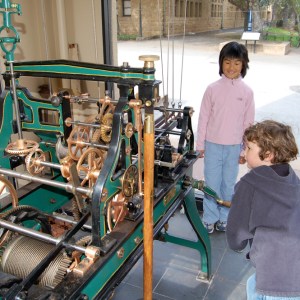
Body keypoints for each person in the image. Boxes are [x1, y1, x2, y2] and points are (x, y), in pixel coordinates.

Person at [226, 120, 300, 300]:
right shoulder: (291, 177)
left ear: (268, 154)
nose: (244, 152)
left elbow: (237, 232)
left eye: (249, 148)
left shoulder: (250, 183)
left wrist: (237, 244)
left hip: (275, 275)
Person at [196, 41, 255, 233]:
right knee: (211, 184)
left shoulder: (247, 92)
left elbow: (249, 124)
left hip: (233, 147)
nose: (232, 67)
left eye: (237, 63)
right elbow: (203, 117)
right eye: (227, 62)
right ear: (221, 63)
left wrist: (244, 150)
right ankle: (209, 218)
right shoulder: (212, 89)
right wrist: (200, 144)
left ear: (243, 65)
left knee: (228, 184)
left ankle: (224, 218)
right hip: (212, 145)